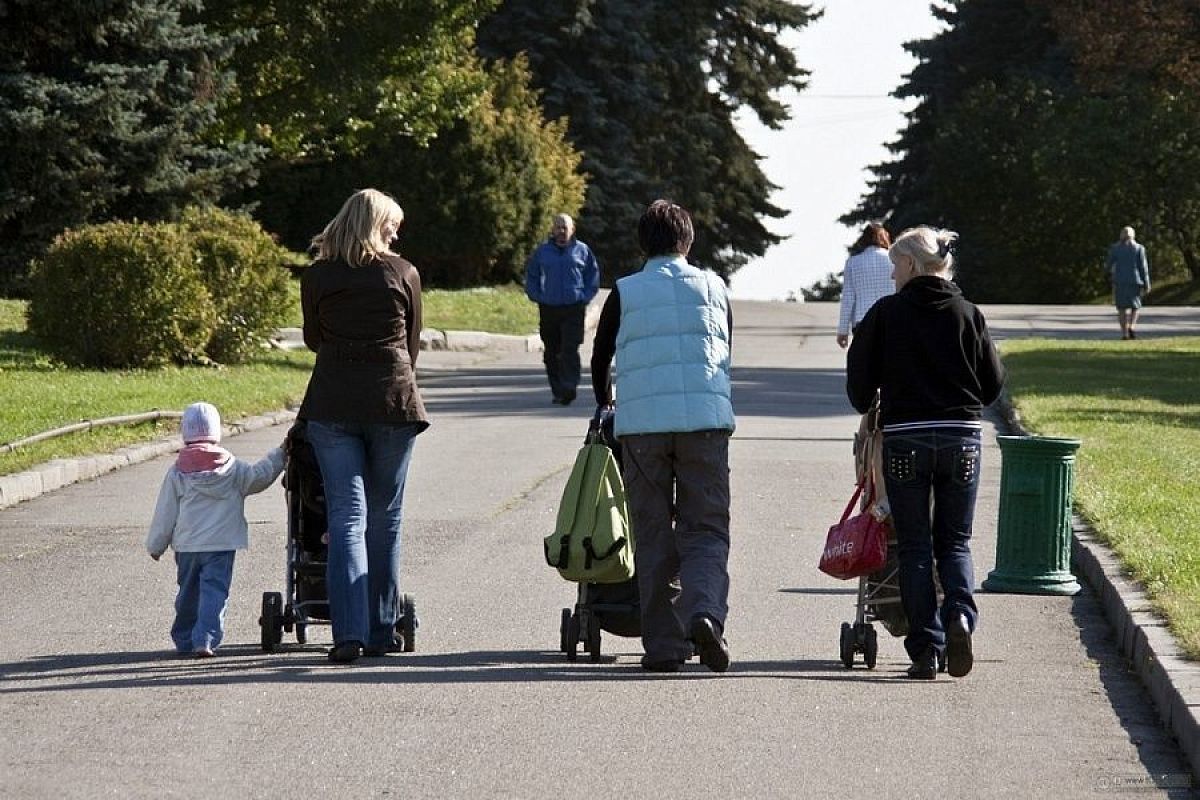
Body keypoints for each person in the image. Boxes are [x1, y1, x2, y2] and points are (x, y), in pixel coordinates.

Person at [846, 226, 1005, 680]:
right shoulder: (968, 314)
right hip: (961, 440)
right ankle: (960, 615)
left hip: (906, 439)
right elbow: (992, 385)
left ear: (913, 265)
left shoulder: (885, 315)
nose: (892, 274)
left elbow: (859, 392)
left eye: (896, 265)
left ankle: (927, 648)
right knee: (954, 542)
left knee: (915, 546)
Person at [590, 199, 735, 673]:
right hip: (705, 427)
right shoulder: (715, 286)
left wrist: (606, 400)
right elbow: (723, 347)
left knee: (652, 533)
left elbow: (600, 355)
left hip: (643, 430)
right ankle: (704, 613)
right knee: (706, 528)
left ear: (642, 243)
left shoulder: (625, 291)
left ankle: (664, 646)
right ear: (687, 241)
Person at [299, 188, 430, 664]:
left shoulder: (317, 276)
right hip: (393, 402)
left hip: (333, 400)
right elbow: (411, 346)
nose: (397, 231)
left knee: (345, 518)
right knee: (385, 518)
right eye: (392, 223)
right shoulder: (403, 273)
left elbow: (314, 338)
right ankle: (381, 629)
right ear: (377, 224)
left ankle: (346, 634)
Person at [146, 402, 286, 657]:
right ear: (217, 432)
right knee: (214, 592)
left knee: (188, 593)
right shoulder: (232, 469)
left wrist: (156, 544)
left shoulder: (178, 472)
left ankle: (185, 637)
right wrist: (280, 455)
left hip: (188, 547)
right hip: (221, 545)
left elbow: (165, 512)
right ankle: (206, 639)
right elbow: (261, 476)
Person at [525, 213, 600, 405]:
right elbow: (532, 275)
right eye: (558, 227)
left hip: (573, 308)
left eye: (565, 227)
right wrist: (537, 296)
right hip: (549, 308)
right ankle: (557, 389)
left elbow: (593, 276)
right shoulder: (543, 251)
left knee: (569, 348)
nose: (561, 231)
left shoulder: (582, 251)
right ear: (552, 229)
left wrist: (584, 297)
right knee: (552, 351)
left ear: (572, 230)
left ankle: (569, 386)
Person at [836, 222, 893, 348]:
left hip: (862, 320)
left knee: (867, 362)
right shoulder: (894, 260)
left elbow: (848, 299)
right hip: (890, 318)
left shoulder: (853, 262)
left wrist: (842, 330)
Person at [1107, 226, 1151, 340]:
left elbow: (1108, 264)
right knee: (1135, 307)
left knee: (1121, 308)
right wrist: (1147, 283)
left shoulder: (1115, 248)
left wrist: (1108, 275)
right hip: (1135, 281)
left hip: (1120, 281)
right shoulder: (1139, 248)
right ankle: (1132, 326)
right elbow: (1143, 267)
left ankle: (1124, 333)